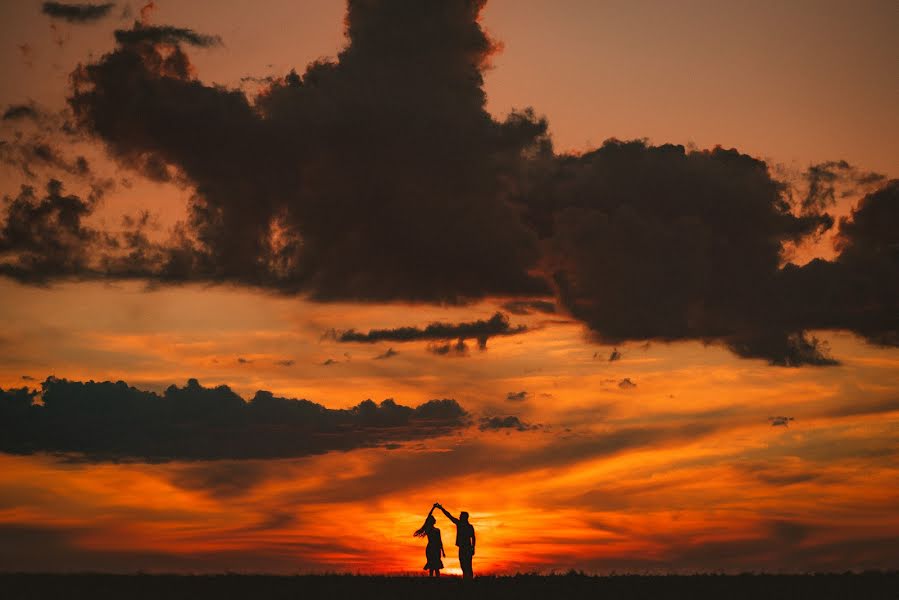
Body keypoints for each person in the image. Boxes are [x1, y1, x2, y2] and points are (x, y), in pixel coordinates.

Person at [434, 502, 476, 579]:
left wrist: (473, 548)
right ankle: (467, 580)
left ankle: (469, 581)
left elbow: (473, 537)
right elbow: (449, 516)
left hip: (466, 548)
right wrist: (442, 508)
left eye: (460, 516)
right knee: (464, 565)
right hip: (465, 548)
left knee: (467, 566)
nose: (459, 517)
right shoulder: (463, 524)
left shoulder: (466, 526)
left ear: (464, 517)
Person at [413, 505, 445, 577]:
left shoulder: (438, 530)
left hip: (436, 549)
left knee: (436, 567)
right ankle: (431, 581)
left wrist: (443, 551)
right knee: (431, 566)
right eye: (433, 518)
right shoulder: (428, 529)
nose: (435, 519)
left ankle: (437, 581)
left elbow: (440, 541)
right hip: (430, 548)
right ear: (431, 521)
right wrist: (433, 508)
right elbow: (428, 516)